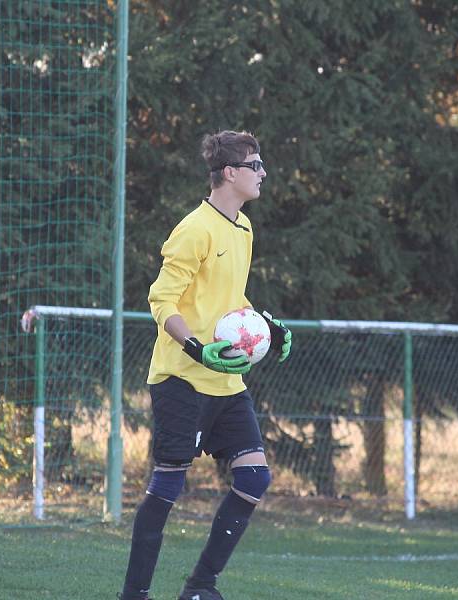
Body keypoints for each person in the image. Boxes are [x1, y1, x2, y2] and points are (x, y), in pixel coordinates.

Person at [118, 130, 292, 600]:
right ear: (230, 173)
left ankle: (199, 589)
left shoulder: (244, 228)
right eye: (255, 165)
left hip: (226, 381)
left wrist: (265, 326)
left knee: (255, 477)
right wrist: (197, 348)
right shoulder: (194, 229)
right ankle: (133, 595)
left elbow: (232, 300)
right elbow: (162, 300)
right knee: (169, 485)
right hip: (180, 378)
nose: (262, 174)